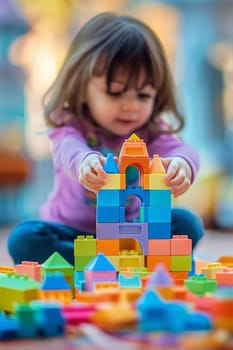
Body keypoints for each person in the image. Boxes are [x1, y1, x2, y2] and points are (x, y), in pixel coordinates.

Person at [8, 12, 203, 266]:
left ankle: (116, 260)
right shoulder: (69, 122)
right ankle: (108, 263)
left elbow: (181, 150)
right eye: (115, 93)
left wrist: (182, 165)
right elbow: (68, 149)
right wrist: (85, 162)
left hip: (135, 233)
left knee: (187, 224)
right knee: (24, 239)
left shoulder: (151, 129)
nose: (131, 107)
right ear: (82, 87)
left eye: (143, 96)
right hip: (73, 232)